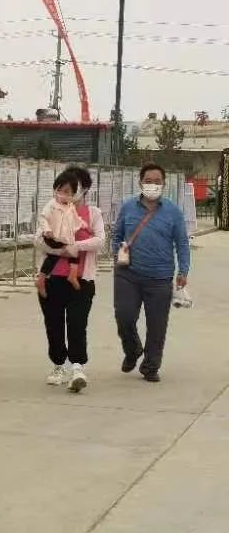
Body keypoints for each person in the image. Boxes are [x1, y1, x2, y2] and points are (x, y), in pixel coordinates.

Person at [112, 163, 190, 383]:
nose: (152, 185)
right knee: (124, 317)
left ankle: (150, 366)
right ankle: (132, 349)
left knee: (157, 325)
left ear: (164, 184)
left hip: (160, 277)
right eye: (148, 181)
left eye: (157, 181)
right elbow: (116, 235)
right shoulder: (128, 207)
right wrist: (117, 253)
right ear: (140, 182)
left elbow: (182, 243)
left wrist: (183, 270)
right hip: (128, 274)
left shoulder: (173, 212)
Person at [35, 167, 105, 392]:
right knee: (53, 323)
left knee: (77, 323)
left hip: (82, 280)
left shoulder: (92, 213)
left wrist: (76, 246)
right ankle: (58, 365)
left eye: (75, 187)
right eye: (64, 187)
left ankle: (77, 366)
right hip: (53, 278)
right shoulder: (52, 208)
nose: (69, 192)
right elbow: (38, 239)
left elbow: (100, 240)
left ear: (83, 189)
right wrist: (61, 250)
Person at [35, 172, 86, 298]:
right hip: (52, 237)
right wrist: (47, 230)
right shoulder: (52, 204)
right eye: (59, 190)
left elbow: (75, 219)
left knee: (73, 254)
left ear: (73, 194)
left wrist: (82, 224)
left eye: (66, 191)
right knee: (56, 256)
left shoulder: (70, 206)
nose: (61, 193)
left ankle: (71, 276)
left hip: (64, 237)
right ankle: (42, 279)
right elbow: (42, 217)